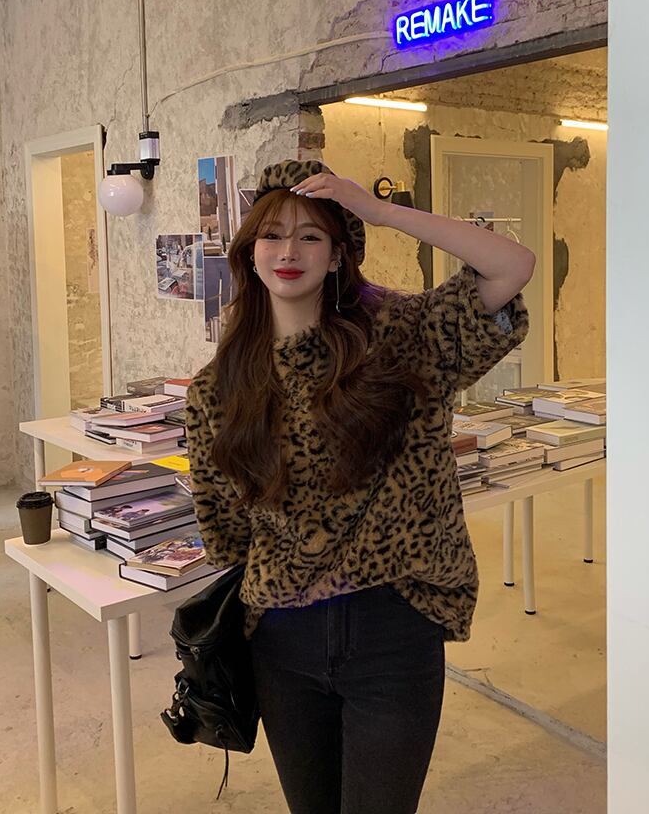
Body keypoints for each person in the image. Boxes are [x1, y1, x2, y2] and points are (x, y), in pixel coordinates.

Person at [186, 158, 535, 814]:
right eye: (272, 235)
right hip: (282, 639)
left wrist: (379, 211)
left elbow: (511, 265)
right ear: (250, 253)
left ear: (338, 255)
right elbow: (224, 529)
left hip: (393, 627)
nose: (289, 252)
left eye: (311, 236)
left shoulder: (404, 340)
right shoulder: (218, 387)